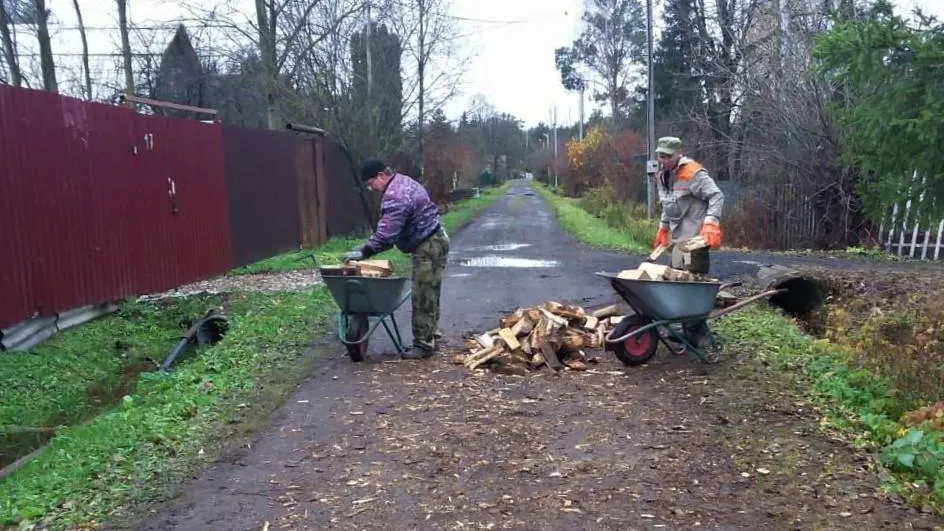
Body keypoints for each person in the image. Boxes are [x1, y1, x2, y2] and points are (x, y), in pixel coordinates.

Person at [343, 160, 450, 359]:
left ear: (381, 175)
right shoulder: (403, 181)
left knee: (423, 295)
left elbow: (386, 236)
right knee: (431, 291)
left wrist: (364, 251)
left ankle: (424, 345)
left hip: (428, 245)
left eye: (371, 183)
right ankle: (431, 334)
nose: (371, 188)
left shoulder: (395, 195)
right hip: (436, 239)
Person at [651, 136, 724, 346]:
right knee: (677, 282)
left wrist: (711, 223)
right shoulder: (662, 175)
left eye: (668, 156)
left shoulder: (693, 173)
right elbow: (667, 204)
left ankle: (695, 334)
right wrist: (663, 227)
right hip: (678, 239)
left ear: (678, 153)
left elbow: (717, 196)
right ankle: (686, 329)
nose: (664, 160)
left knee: (693, 284)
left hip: (695, 239)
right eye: (661, 156)